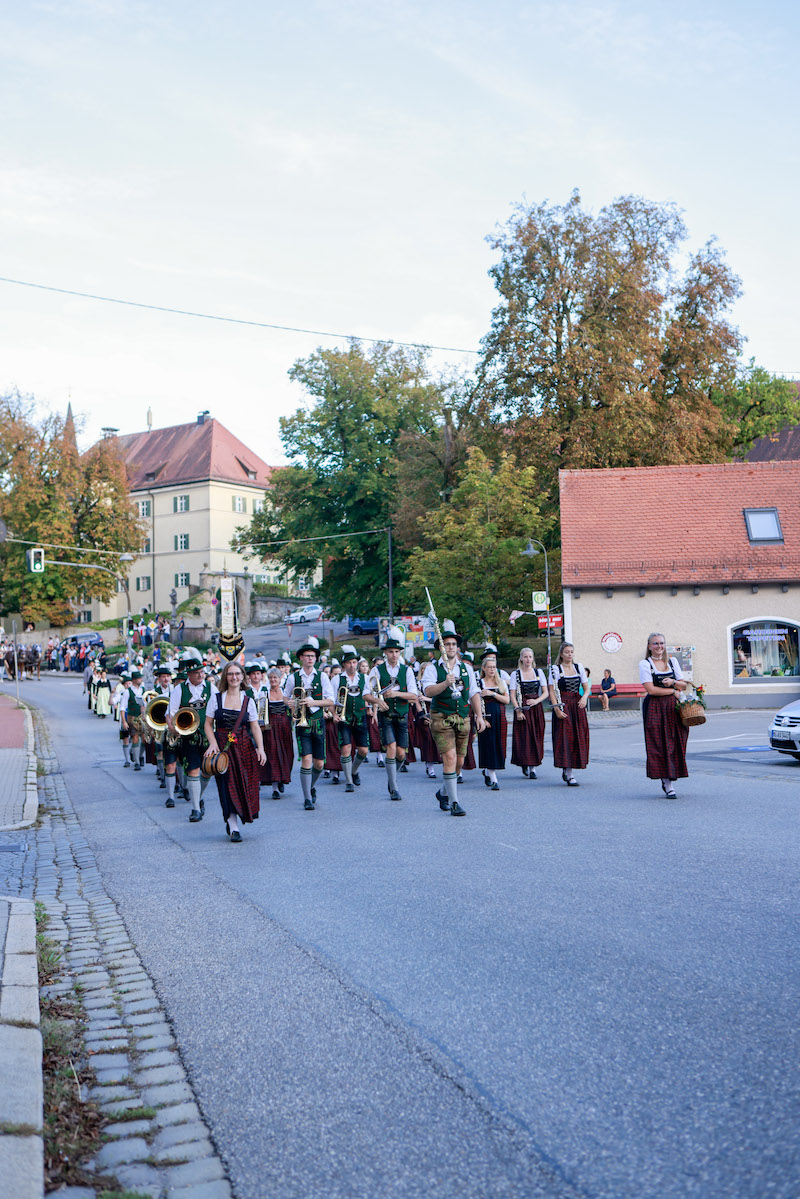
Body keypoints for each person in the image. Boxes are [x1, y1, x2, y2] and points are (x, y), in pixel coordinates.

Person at [421, 620, 486, 816]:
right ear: (441, 648)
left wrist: (479, 716)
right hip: (441, 716)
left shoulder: (466, 669)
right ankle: (455, 802)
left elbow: (474, 692)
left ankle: (443, 792)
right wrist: (444, 683)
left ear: (457, 647)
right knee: (449, 757)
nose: (450, 647)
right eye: (447, 644)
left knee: (459, 761)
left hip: (463, 716)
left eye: (453, 644)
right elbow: (428, 691)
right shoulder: (433, 668)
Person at [204, 661, 266, 842]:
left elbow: (255, 727)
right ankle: (233, 826)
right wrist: (212, 743)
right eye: (230, 674)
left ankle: (236, 818)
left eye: (237, 674)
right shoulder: (216, 698)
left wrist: (261, 749)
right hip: (223, 748)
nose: (234, 677)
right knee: (226, 785)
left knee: (243, 783)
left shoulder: (248, 701)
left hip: (244, 747)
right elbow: (208, 724)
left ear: (242, 676)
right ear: (225, 676)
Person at [282, 636, 336, 810]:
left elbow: (330, 700)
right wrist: (289, 703)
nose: (310, 658)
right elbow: (285, 697)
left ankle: (311, 786)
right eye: (307, 656)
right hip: (301, 723)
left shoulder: (322, 676)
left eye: (313, 656)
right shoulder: (293, 678)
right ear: (301, 658)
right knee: (306, 759)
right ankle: (307, 798)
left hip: (318, 722)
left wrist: (314, 703)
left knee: (319, 763)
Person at [369, 626, 419, 801]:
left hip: (403, 716)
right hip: (386, 716)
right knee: (390, 748)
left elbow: (414, 696)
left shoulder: (407, 670)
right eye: (391, 651)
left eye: (397, 651)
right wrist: (378, 701)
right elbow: (366, 694)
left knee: (401, 754)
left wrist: (396, 694)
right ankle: (394, 788)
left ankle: (391, 779)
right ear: (385, 653)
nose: (394, 655)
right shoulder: (377, 670)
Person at [166, 653, 216, 822]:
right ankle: (195, 809)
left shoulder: (211, 688)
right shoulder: (179, 689)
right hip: (189, 736)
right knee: (193, 770)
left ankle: (198, 797)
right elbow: (171, 713)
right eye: (196, 672)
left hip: (208, 736)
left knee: (208, 770)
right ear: (188, 674)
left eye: (202, 672)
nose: (200, 675)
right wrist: (173, 728)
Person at [639, 632, 689, 798]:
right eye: (655, 643)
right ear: (649, 646)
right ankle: (667, 782)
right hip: (655, 707)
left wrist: (673, 683)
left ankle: (672, 774)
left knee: (676, 741)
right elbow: (651, 690)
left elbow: (684, 685)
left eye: (661, 643)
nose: (659, 646)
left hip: (673, 707)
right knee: (659, 744)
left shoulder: (672, 662)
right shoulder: (645, 664)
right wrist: (673, 691)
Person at [334, 645, 383, 792]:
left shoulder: (365, 678)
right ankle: (349, 782)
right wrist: (334, 714)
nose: (352, 665)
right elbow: (330, 699)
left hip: (360, 717)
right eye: (349, 662)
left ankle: (354, 771)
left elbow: (373, 696)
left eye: (354, 662)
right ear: (344, 664)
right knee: (346, 748)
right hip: (344, 718)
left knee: (363, 750)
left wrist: (375, 712)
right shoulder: (337, 679)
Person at [548, 643, 590, 785]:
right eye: (567, 652)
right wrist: (557, 709)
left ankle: (569, 769)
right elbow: (552, 691)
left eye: (572, 651)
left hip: (577, 705)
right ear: (561, 654)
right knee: (565, 738)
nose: (570, 654)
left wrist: (584, 698)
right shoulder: (555, 669)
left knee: (577, 737)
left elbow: (586, 688)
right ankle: (568, 771)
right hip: (563, 704)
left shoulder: (578, 667)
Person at [510, 647, 548, 778]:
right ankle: (525, 763)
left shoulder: (538, 672)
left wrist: (536, 701)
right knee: (524, 738)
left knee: (536, 736)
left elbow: (546, 692)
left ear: (533, 658)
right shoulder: (516, 674)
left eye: (530, 657)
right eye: (525, 657)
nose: (528, 659)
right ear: (521, 658)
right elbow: (512, 695)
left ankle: (533, 767)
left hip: (536, 708)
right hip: (522, 709)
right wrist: (518, 711)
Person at [477, 645, 509, 789]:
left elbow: (507, 700)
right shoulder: (480, 683)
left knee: (498, 745)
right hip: (486, 717)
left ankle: (488, 771)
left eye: (494, 667)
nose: (492, 670)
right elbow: (476, 702)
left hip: (499, 716)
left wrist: (493, 694)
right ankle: (494, 778)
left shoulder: (501, 682)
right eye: (489, 667)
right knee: (488, 745)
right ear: (483, 668)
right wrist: (482, 719)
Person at [261, 667, 294, 800]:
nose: (273, 680)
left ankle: (282, 778)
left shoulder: (286, 693)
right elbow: (261, 712)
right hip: (270, 727)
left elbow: (293, 709)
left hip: (284, 725)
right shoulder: (265, 693)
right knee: (272, 754)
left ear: (280, 679)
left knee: (287, 753)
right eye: (271, 678)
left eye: (275, 677)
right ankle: (275, 787)